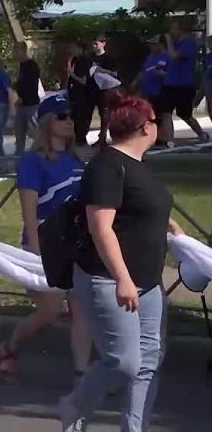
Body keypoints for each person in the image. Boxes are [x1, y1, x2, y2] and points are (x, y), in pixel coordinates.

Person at [60, 93, 183, 432]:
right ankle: (74, 406)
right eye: (155, 121)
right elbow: (100, 227)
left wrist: (167, 224)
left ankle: (133, 427)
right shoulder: (107, 166)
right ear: (146, 127)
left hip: (149, 282)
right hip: (110, 280)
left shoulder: (138, 164)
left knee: (148, 362)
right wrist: (122, 278)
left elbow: (137, 207)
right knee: (124, 363)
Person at [0, 94, 92, 384]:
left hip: (77, 246)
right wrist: (35, 250)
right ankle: (10, 346)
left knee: (80, 310)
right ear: (48, 121)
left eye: (72, 116)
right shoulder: (33, 162)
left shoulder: (78, 160)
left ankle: (82, 374)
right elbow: (29, 210)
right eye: (62, 116)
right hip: (45, 244)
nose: (69, 121)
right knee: (50, 311)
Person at [160, 19, 209, 142]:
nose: (171, 31)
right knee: (166, 111)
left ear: (181, 29)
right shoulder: (177, 43)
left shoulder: (189, 43)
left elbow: (175, 55)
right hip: (170, 82)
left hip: (183, 84)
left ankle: (201, 133)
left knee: (184, 113)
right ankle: (168, 139)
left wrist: (169, 41)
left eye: (174, 28)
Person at [135, 36, 170, 148]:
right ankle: (152, 139)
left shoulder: (168, 57)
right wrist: (135, 84)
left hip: (161, 91)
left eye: (154, 44)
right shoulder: (150, 56)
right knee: (148, 116)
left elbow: (173, 74)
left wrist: (162, 74)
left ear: (161, 44)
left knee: (162, 116)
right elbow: (143, 72)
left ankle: (165, 140)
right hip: (147, 91)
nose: (151, 46)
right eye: (150, 44)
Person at [13, 42, 42, 155]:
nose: (14, 53)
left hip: (31, 104)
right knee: (19, 133)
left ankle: (41, 154)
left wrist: (22, 97)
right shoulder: (21, 66)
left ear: (22, 51)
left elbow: (32, 85)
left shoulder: (31, 66)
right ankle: (19, 157)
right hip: (21, 105)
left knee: (34, 131)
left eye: (15, 50)